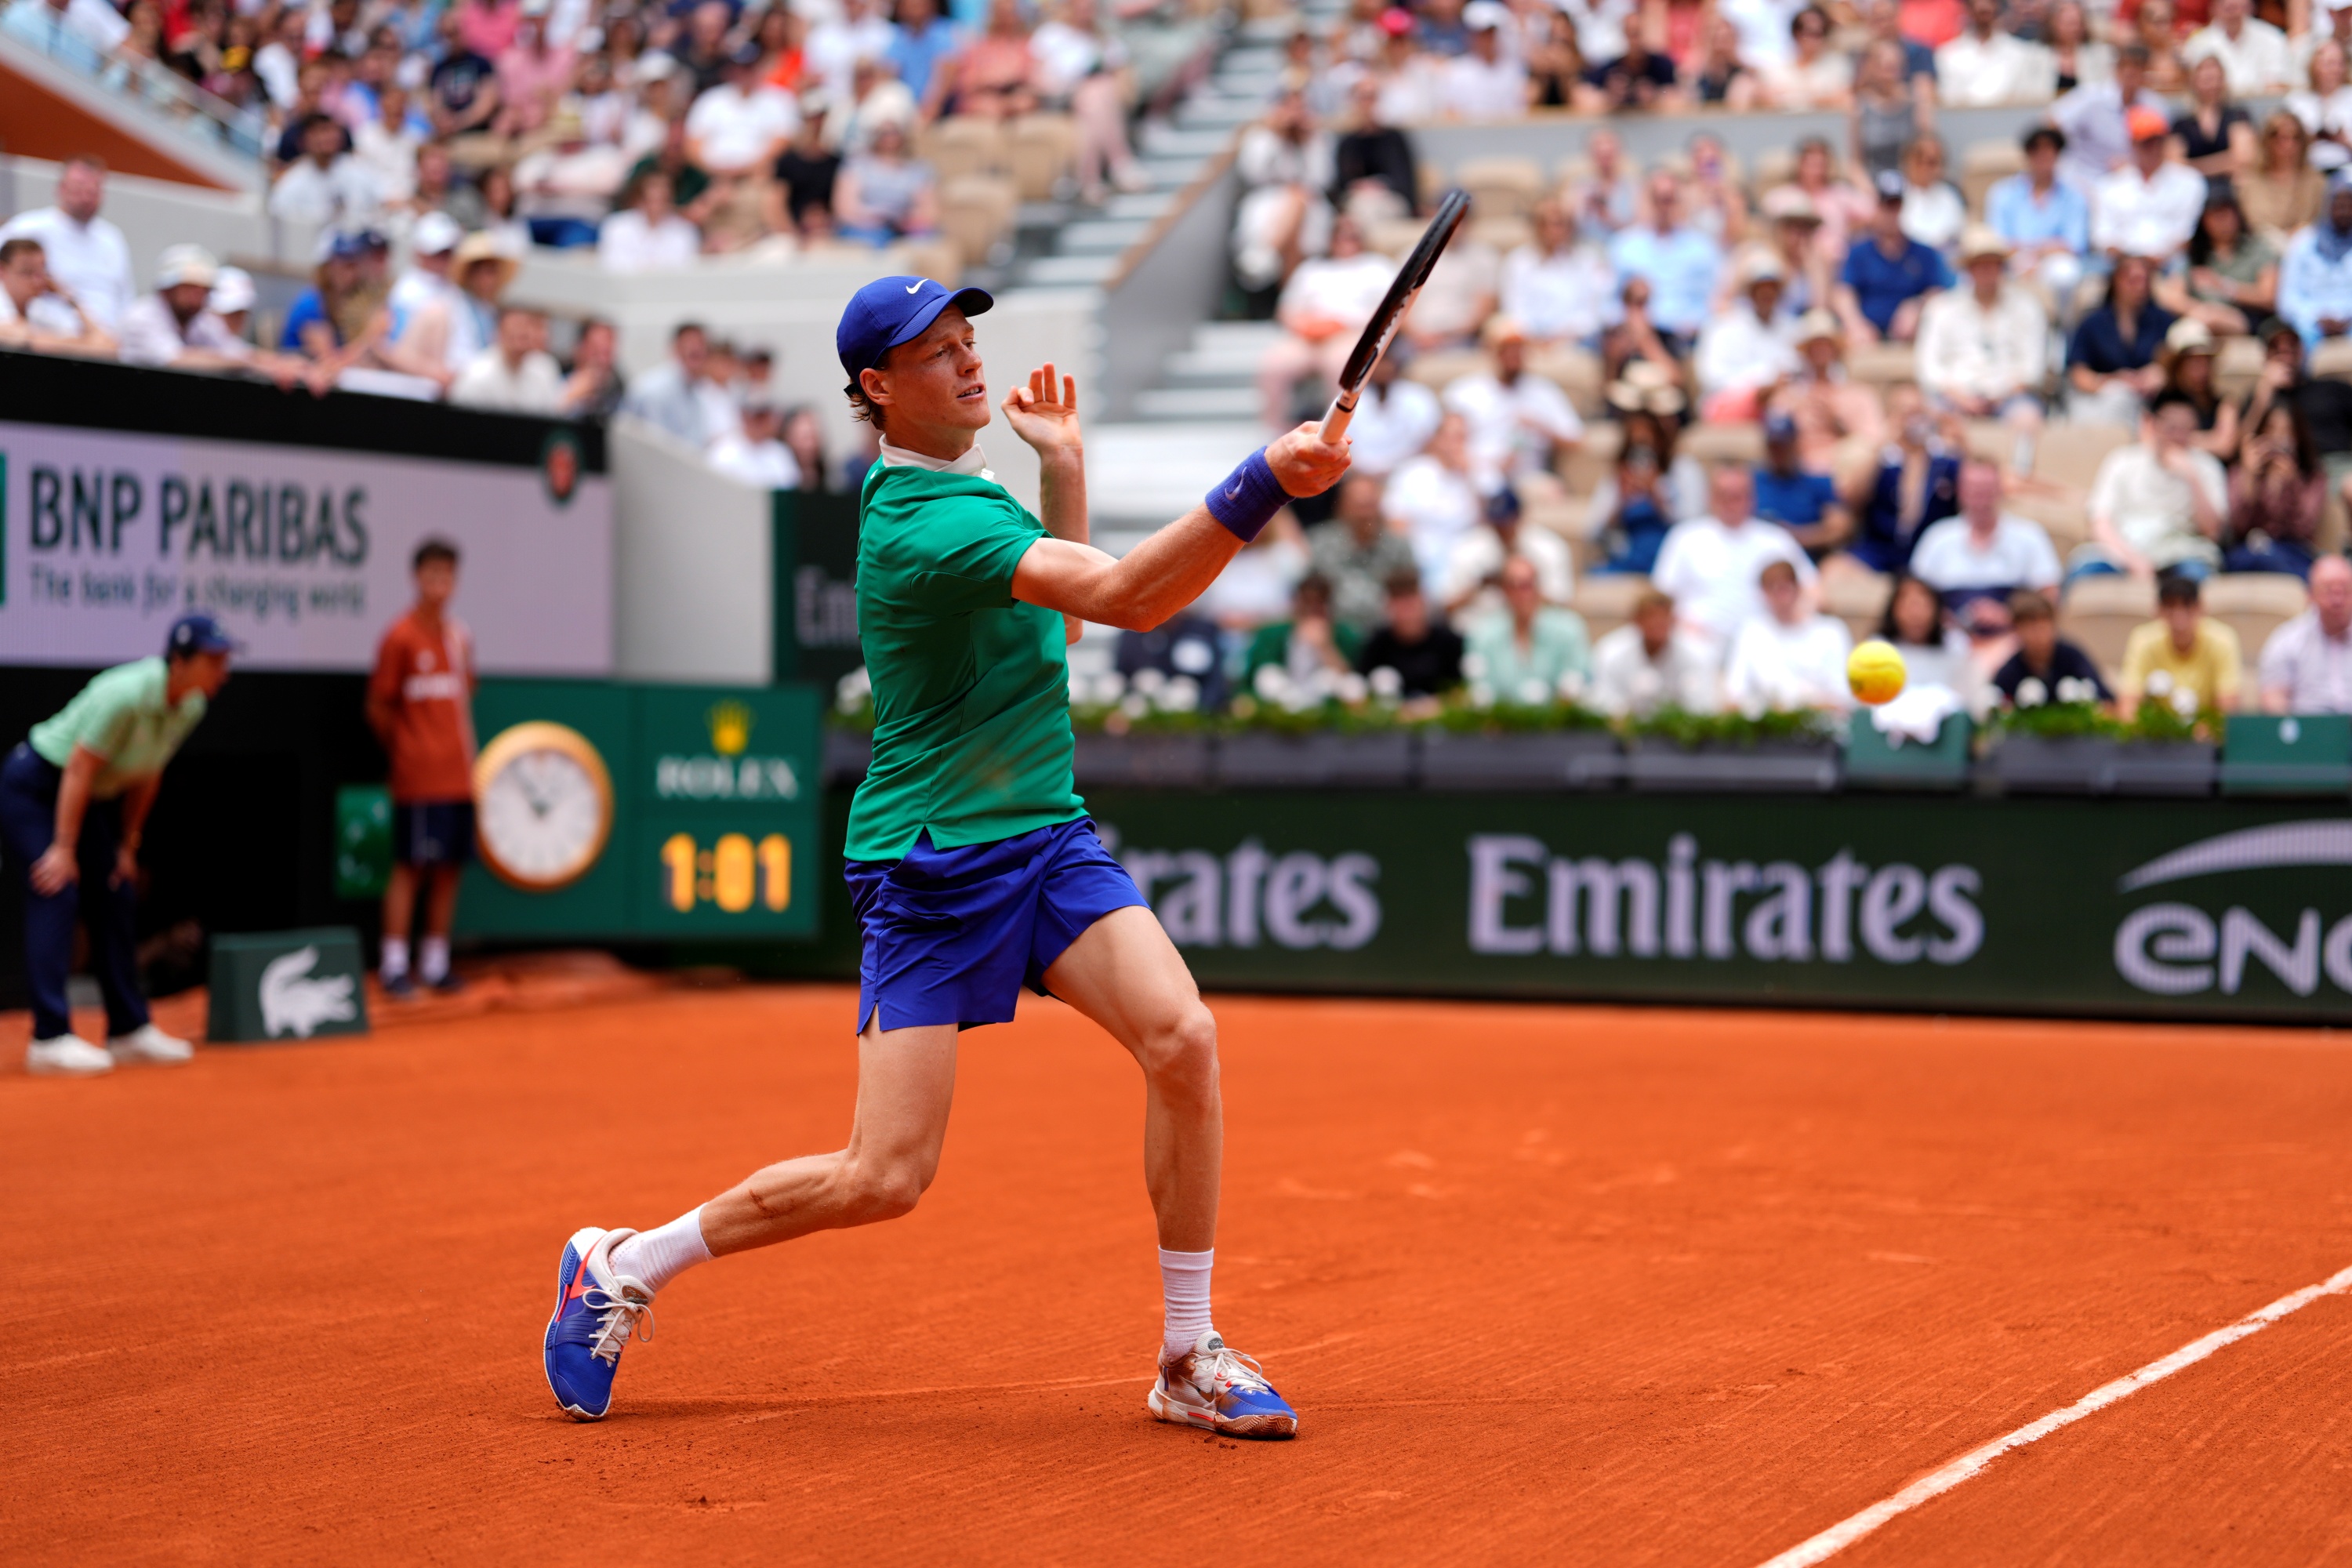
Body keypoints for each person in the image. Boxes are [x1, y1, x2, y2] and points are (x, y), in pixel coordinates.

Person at [539, 274, 1351, 1435]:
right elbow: (1122, 598)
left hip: (1045, 836)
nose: (971, 365)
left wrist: (1062, 468)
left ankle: (1186, 1352)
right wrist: (1263, 477)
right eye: (936, 355)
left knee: (1182, 1037)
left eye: (969, 342)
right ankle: (625, 1260)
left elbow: (1057, 627)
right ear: (876, 388)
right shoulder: (924, 524)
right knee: (885, 1179)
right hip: (930, 865)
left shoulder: (969, 495)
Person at [3, 614, 234, 1075]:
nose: (222, 671)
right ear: (180, 661)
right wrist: (64, 849)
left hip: (87, 797)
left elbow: (147, 774)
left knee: (115, 890)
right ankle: (49, 1039)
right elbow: (79, 767)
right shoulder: (125, 695)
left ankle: (128, 1029)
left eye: (224, 661)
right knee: (57, 887)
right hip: (37, 785)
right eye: (213, 660)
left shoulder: (190, 706)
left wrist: (127, 845)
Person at [366, 540, 477, 1000]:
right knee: (410, 866)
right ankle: (394, 963)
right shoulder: (400, 637)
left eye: (447, 577)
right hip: (417, 777)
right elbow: (378, 707)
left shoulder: (459, 638)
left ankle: (435, 963)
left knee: (449, 868)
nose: (439, 585)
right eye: (432, 576)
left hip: (458, 774)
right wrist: (409, 749)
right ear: (417, 579)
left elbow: (465, 696)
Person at [1915, 227, 2047, 458]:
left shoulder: (2027, 308)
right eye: (1979, 264)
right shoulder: (1942, 309)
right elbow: (1929, 368)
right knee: (1932, 418)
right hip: (1955, 395)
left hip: (2009, 396)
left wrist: (2001, 395)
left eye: (1993, 263)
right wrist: (1959, 396)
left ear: (2002, 268)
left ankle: (2018, 477)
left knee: (2028, 418)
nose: (1987, 270)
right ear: (1968, 269)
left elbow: (2033, 369)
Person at [1653, 463, 1817, 644]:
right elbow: (1660, 596)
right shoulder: (1684, 537)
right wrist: (1685, 625)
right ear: (1710, 498)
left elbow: (1812, 588)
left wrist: (1789, 618)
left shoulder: (1776, 539)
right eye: (1724, 496)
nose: (1731, 503)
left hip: (1764, 641)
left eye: (1738, 496)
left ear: (1752, 498)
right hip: (1698, 639)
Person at [1258, 216, 1392, 429]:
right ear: (1331, 239)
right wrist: (1304, 326)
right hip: (1307, 336)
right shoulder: (1311, 269)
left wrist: (1340, 324)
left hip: (1351, 335)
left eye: (1352, 237)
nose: (1346, 242)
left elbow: (1387, 312)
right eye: (1340, 236)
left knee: (1340, 367)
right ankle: (1276, 435)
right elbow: (1286, 310)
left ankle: (1336, 436)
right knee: (1274, 365)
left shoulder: (1377, 268)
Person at [2085, 391, 2228, 579]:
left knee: (2196, 576)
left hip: (2182, 552)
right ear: (2152, 424)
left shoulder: (2207, 466)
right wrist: (2133, 561)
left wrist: (2193, 478)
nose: (2179, 437)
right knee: (2085, 573)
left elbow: (2213, 532)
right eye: (2172, 428)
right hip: (2125, 548)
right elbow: (2100, 522)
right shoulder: (2122, 461)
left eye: (2187, 429)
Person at [117, 245, 305, 384]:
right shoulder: (142, 317)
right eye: (189, 288)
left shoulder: (200, 322)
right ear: (167, 289)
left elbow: (236, 351)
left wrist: (283, 364)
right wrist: (248, 364)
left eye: (203, 290)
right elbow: (175, 359)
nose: (197, 297)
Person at [1443, 317, 1584, 490]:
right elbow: (1446, 443)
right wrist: (1486, 466)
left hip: (1527, 478)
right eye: (1507, 350)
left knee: (1549, 490)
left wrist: (1539, 427)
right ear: (1492, 351)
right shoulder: (1464, 393)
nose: (1514, 356)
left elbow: (1576, 440)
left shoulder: (1544, 391)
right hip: (1476, 475)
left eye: (1519, 350)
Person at [1910, 457, 2063, 613]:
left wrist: (2008, 617)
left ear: (2000, 490)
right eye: (1974, 490)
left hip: (2016, 632)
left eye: (1986, 490)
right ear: (1960, 491)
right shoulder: (1937, 538)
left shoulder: (2030, 536)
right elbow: (1915, 596)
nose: (1981, 501)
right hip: (1948, 632)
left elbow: (2049, 596)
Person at [1837, 385, 1960, 579]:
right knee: (1833, 570)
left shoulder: (1944, 458)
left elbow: (1976, 489)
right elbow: (1851, 500)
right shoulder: (1881, 458)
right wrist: (1882, 444)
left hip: (1931, 548)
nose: (1913, 420)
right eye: (1906, 413)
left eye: (1918, 412)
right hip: (1881, 549)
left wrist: (1959, 437)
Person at [0, 156, 136, 332]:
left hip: (108, 345)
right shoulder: (27, 227)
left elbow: (126, 298)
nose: (86, 196)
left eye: (93, 189)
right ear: (61, 188)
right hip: (49, 336)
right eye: (79, 187)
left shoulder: (112, 238)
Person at [1606, 174, 1724, 354]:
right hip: (1635, 334)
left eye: (1670, 200)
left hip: (1686, 336)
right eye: (1658, 200)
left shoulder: (1702, 248)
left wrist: (1697, 323)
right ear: (1648, 202)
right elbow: (1610, 301)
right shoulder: (1625, 246)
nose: (1664, 207)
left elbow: (1714, 298)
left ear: (1681, 202)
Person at [1835, 169, 1953, 345]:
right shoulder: (1859, 251)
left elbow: (1940, 290)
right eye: (1885, 205)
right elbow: (1843, 293)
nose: (1890, 213)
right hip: (1869, 336)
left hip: (1910, 337)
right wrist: (1856, 324)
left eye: (1895, 205)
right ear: (1876, 206)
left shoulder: (1924, 253)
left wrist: (1918, 307)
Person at [1724, 558, 1855, 713]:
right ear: (1763, 594)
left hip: (1825, 727)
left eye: (1784, 588)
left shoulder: (1832, 631)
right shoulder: (1751, 633)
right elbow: (1734, 693)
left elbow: (1844, 695)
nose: (1780, 597)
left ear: (1798, 588)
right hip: (1770, 730)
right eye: (1771, 589)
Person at [1987, 127, 2091, 315]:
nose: (2044, 156)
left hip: (2053, 261)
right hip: (2013, 260)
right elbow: (1996, 241)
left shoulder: (2075, 196)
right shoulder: (2003, 193)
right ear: (2027, 155)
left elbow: (2075, 244)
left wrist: (2035, 254)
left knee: (2066, 272)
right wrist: (2025, 257)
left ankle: (2064, 333)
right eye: (2037, 151)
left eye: (2049, 150)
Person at [1464, 554, 1592, 702]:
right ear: (1504, 591)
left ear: (1539, 588)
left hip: (1557, 723)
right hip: (1502, 722)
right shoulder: (1483, 633)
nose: (1521, 594)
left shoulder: (1569, 628)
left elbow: (1577, 681)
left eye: (1526, 585)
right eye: (1513, 586)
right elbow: (1480, 688)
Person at [2068, 253, 2176, 426]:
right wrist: (2111, 381)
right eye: (2133, 280)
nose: (2140, 287)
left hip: (2154, 401)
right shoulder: (2092, 323)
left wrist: (2160, 372)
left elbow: (2176, 358)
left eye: (2145, 281)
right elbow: (2078, 373)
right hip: (2104, 400)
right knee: (2119, 400)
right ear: (2116, 281)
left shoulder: (2163, 321)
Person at [2092, 107, 2209, 265]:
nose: (2153, 148)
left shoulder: (2190, 181)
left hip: (2170, 261)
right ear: (2133, 144)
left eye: (2158, 141)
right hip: (2122, 265)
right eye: (2146, 143)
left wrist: (2157, 260)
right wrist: (2133, 262)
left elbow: (2185, 236)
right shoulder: (2109, 185)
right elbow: (2104, 238)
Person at [1306, 474, 1420, 633]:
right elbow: (1310, 594)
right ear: (1342, 506)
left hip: (1387, 633)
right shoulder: (1320, 543)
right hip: (1335, 632)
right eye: (1358, 506)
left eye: (1369, 505)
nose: (1364, 514)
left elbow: (1411, 593)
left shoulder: (1398, 546)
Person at [2158, 188, 2278, 336]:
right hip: (2200, 316)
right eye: (2215, 216)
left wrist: (2225, 287)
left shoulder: (2258, 249)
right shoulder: (2195, 253)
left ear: (2237, 215)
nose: (2222, 222)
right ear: (2204, 220)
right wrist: (2202, 310)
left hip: (2245, 317)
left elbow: (2269, 297)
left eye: (2226, 214)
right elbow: (2171, 296)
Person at [1694, 255, 1799, 422]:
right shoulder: (1724, 327)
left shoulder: (1793, 328)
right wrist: (1762, 383)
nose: (1767, 293)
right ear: (1750, 291)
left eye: (1773, 287)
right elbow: (1711, 377)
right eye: (1761, 287)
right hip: (1733, 405)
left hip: (1783, 404)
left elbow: (1798, 372)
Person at [2225, 399, 2325, 574]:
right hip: (2247, 550)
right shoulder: (2241, 471)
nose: (2278, 438)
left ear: (2298, 436)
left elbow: (2304, 529)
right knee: (2251, 559)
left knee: (2275, 560)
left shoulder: (2312, 475)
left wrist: (2292, 485)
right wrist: (2249, 478)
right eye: (2271, 429)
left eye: (2287, 431)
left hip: (2293, 551)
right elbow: (2237, 526)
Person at [1443, 485, 1575, 617]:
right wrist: (1480, 586)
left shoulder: (1548, 547)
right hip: (1481, 628)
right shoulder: (1469, 547)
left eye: (1507, 522)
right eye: (1497, 523)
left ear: (1520, 518)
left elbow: (1562, 604)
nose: (1502, 529)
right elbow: (1449, 606)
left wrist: (1523, 587)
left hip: (1539, 628)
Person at [1499, 201, 1616, 348]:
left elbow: (1593, 311)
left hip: (1577, 341)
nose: (1557, 231)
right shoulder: (1517, 263)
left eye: (1563, 224)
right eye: (1551, 224)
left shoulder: (1586, 261)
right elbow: (1514, 311)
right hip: (1528, 342)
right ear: (1537, 227)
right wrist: (1535, 338)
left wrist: (1564, 336)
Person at [2120, 571, 2242, 710]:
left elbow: (2228, 707)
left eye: (2187, 606)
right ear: (2158, 610)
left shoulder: (2223, 639)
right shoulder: (2142, 639)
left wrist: (2206, 728)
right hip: (2157, 730)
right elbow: (2128, 706)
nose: (2179, 616)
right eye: (2170, 606)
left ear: (2201, 608)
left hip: (2207, 730)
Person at [1590, 588, 1719, 715]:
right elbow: (1603, 702)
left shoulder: (1696, 655)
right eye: (1651, 617)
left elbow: (1702, 707)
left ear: (1674, 620)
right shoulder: (1611, 652)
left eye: (1664, 618)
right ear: (1636, 620)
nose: (1658, 624)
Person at [2256, 552, 2352, 710]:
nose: (2338, 600)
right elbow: (2273, 699)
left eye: (2345, 591)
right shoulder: (2286, 640)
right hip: (2308, 730)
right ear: (2311, 595)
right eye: (2329, 591)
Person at [1877, 569, 1984, 707]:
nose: (1916, 615)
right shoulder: (1878, 650)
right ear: (1893, 610)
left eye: (1923, 606)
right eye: (1908, 606)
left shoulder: (1956, 646)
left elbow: (1967, 699)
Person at [1992, 588, 2114, 706]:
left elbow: (2106, 701)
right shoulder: (2010, 671)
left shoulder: (2073, 658)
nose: (2039, 636)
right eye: (2031, 629)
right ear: (2017, 630)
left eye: (2043, 628)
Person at [1357, 568, 1465, 699]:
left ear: (1423, 602)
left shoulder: (1449, 641)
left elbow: (1462, 690)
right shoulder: (1377, 645)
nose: (1407, 614)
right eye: (1400, 605)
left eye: (1411, 604)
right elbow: (1360, 690)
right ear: (1388, 607)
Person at [1752, 410, 1849, 554]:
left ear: (1795, 444)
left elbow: (1840, 529)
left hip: (1803, 558)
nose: (1779, 453)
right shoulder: (1752, 481)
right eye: (1774, 447)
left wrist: (1794, 536)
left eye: (1784, 446)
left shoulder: (1817, 482)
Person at [1243, 573, 1363, 689]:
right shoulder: (1271, 633)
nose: (1312, 607)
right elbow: (1256, 673)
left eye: (1319, 602)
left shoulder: (1344, 634)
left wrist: (1325, 647)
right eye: (1307, 601)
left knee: (1329, 678)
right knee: (1269, 677)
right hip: (1283, 693)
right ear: (1296, 602)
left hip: (1322, 695)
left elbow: (1351, 677)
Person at [0, 236, 114, 354]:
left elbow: (108, 346)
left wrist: (69, 299)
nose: (38, 281)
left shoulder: (39, 311)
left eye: (42, 272)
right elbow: (30, 340)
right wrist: (84, 345)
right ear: (1, 270)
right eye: (28, 272)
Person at [1343, 344, 1443, 478]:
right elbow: (1337, 443)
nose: (1382, 369)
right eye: (1377, 364)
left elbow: (1432, 442)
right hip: (1359, 476)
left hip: (1409, 473)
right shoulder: (1346, 399)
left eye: (1386, 362)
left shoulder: (1419, 397)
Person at [2278, 173, 2352, 350]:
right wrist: (2315, 318)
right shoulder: (2303, 242)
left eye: (2349, 205)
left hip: (2350, 322)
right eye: (2338, 204)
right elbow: (2287, 300)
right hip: (2311, 324)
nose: (2344, 211)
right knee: (2297, 338)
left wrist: (2347, 318)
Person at [449, 304, 565, 412]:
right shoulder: (477, 376)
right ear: (500, 329)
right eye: (521, 324)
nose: (524, 332)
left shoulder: (545, 368)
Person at [1935, 0, 2054, 103]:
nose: (1984, 7)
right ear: (1968, 9)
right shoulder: (1947, 55)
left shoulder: (2020, 54)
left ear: (1998, 8)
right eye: (1977, 5)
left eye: (1990, 4)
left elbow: (2023, 99)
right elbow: (1951, 99)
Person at [2241, 111, 2328, 241]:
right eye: (2281, 138)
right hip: (2265, 250)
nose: (2288, 145)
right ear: (2267, 141)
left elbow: (2321, 221)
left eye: (2295, 138)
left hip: (2304, 247)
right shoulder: (2250, 181)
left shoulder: (2316, 181)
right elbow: (2255, 225)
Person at [598, 169, 702, 271]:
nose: (656, 207)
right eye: (650, 200)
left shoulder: (685, 231)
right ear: (638, 199)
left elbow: (683, 269)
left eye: (662, 200)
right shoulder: (617, 226)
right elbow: (613, 265)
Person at [2169, 54, 2255, 179]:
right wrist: (2224, 162)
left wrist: (2193, 167)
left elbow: (2243, 158)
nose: (2212, 85)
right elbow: (2175, 165)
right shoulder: (2182, 122)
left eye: (2216, 79)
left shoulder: (2237, 114)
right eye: (2206, 80)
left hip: (2230, 186)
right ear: (2194, 82)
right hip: (2191, 187)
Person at [2181, 0, 2291, 96]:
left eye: (2240, 7)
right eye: (2229, 8)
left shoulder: (2272, 38)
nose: (2235, 13)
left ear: (2250, 6)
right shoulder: (2197, 43)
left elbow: (2276, 84)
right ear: (2213, 8)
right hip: (2218, 112)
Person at [708, 400, 804, 488]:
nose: (762, 422)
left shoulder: (780, 453)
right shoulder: (724, 452)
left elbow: (790, 486)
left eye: (766, 416)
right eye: (758, 416)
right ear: (744, 416)